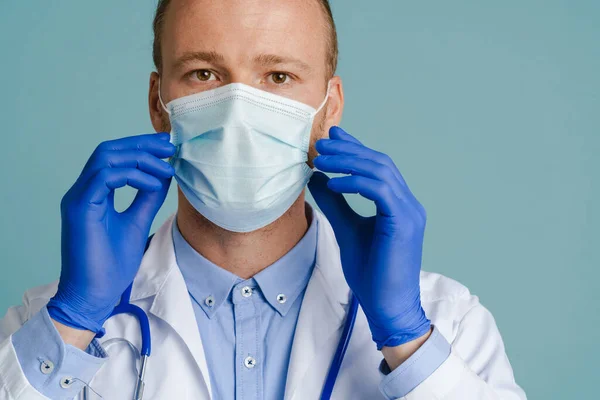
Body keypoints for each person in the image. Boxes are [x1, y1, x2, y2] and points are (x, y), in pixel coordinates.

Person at [0, 0, 527, 399]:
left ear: (328, 107)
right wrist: (74, 318)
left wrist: (407, 338)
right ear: (159, 105)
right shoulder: (41, 327)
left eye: (278, 76)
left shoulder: (447, 322)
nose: (238, 109)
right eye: (204, 74)